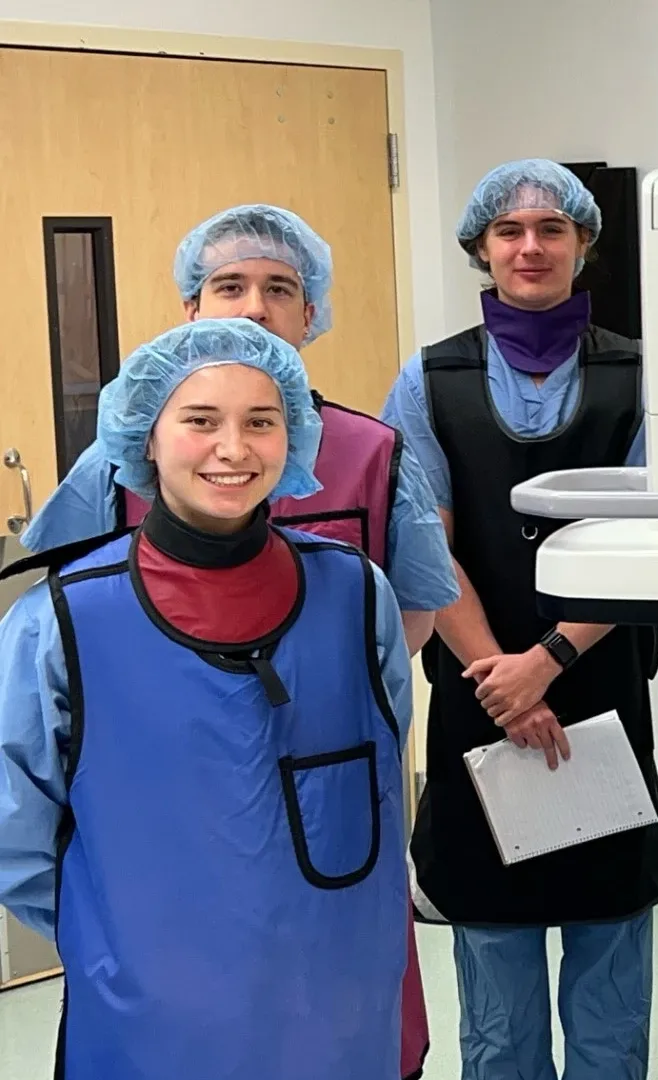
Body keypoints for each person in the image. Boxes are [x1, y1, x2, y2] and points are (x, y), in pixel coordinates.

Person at [17, 202, 451, 1080]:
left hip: (333, 991)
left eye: (261, 423)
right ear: (144, 439)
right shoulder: (65, 617)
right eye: (200, 422)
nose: (232, 448)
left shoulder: (353, 588)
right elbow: (19, 822)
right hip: (154, 1008)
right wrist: (114, 931)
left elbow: (377, 737)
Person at [385, 158, 658, 1080]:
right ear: (481, 248)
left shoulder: (641, 376)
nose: (531, 246)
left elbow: (650, 543)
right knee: (499, 1003)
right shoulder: (431, 379)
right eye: (510, 232)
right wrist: (504, 679)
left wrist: (545, 661)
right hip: (480, 701)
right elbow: (428, 549)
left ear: (585, 243)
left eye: (553, 228)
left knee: (609, 986)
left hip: (598, 688)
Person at [23, 203, 458, 655]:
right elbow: (63, 608)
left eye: (279, 289)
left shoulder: (377, 453)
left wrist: (337, 695)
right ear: (193, 309)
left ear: (309, 315)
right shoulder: (124, 456)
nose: (254, 309)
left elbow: (412, 611)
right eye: (230, 287)